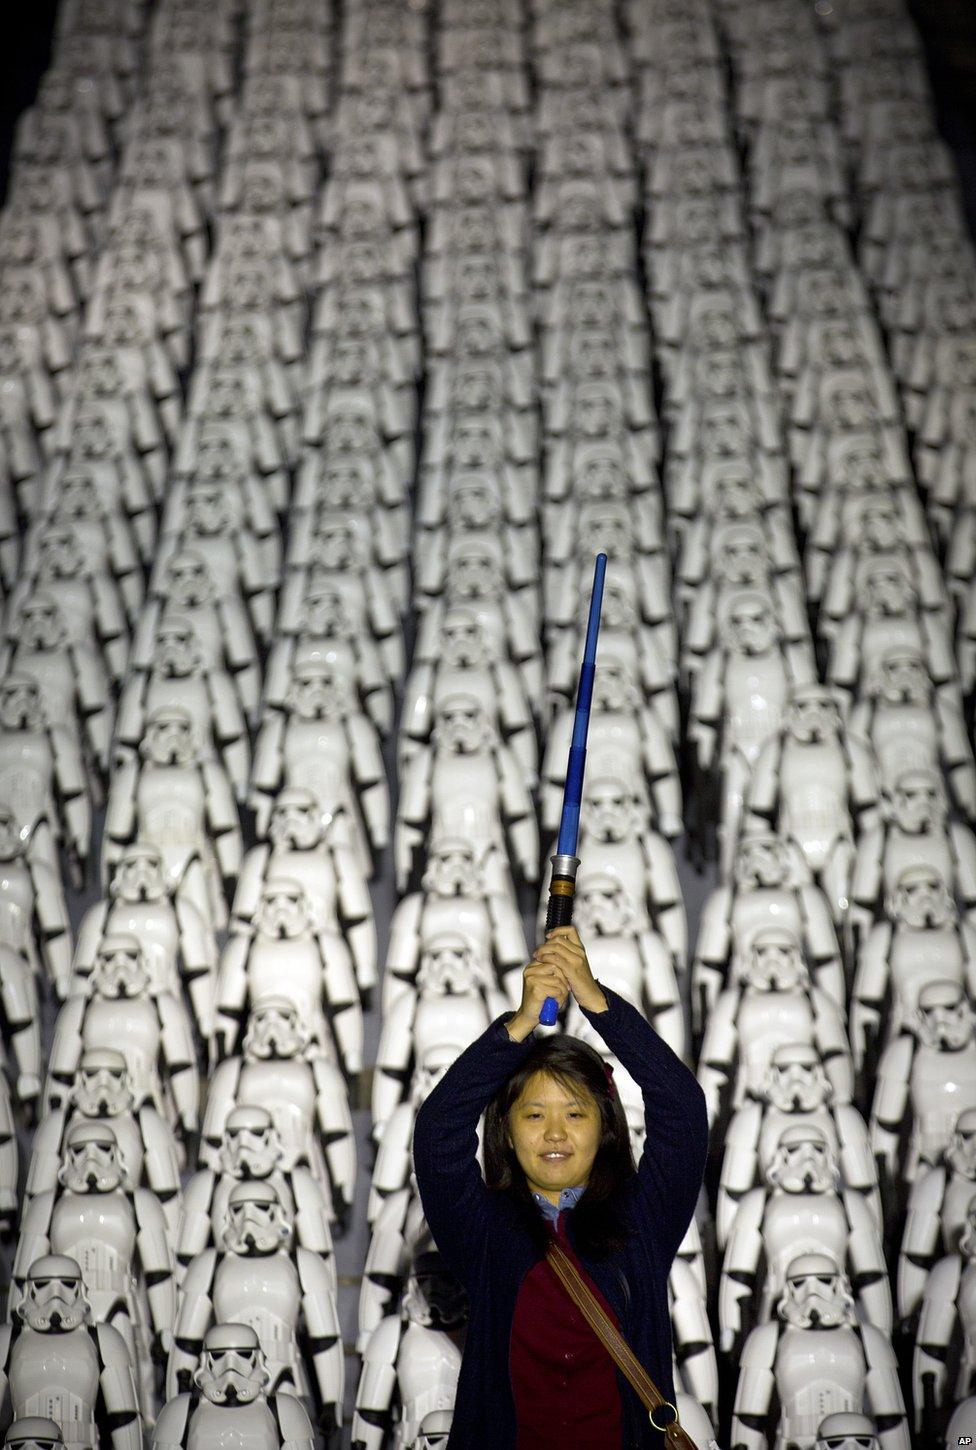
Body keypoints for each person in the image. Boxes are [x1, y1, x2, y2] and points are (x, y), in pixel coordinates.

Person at [413, 924, 709, 1449]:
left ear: (607, 1126)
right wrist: (521, 1023)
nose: (554, 1133)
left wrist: (595, 1000)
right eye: (533, 1114)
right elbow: (439, 1131)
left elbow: (681, 1107)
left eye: (575, 1113)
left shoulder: (642, 1222)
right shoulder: (485, 1232)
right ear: (505, 1129)